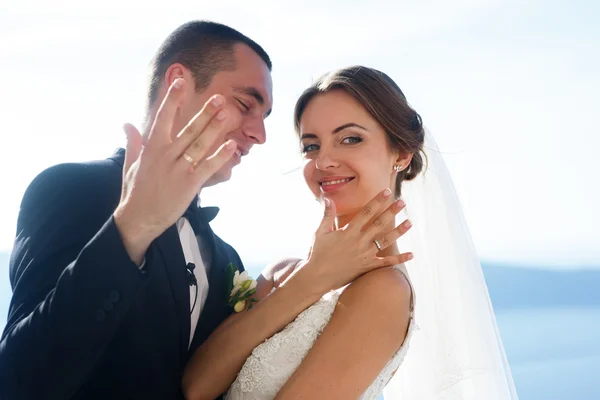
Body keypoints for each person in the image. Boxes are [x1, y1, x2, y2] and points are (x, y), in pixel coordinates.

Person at [0, 23, 412, 400]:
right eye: (245, 104)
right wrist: (131, 228)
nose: (260, 134)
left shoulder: (223, 260)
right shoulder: (75, 191)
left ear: (401, 155)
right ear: (178, 83)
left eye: (351, 139)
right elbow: (19, 379)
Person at [183, 66, 518, 399]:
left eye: (350, 139)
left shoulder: (383, 290)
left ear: (400, 154)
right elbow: (193, 387)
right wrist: (310, 279)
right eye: (311, 146)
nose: (324, 160)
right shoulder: (282, 273)